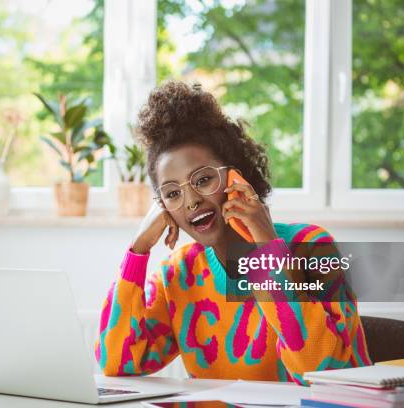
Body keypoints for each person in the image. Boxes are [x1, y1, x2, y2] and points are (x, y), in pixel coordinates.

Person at [95, 81, 371, 383]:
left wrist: (267, 247)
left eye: (202, 180)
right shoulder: (177, 274)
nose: (191, 201)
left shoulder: (311, 247)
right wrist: (138, 251)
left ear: (236, 175)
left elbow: (329, 375)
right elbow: (116, 363)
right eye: (172, 194)